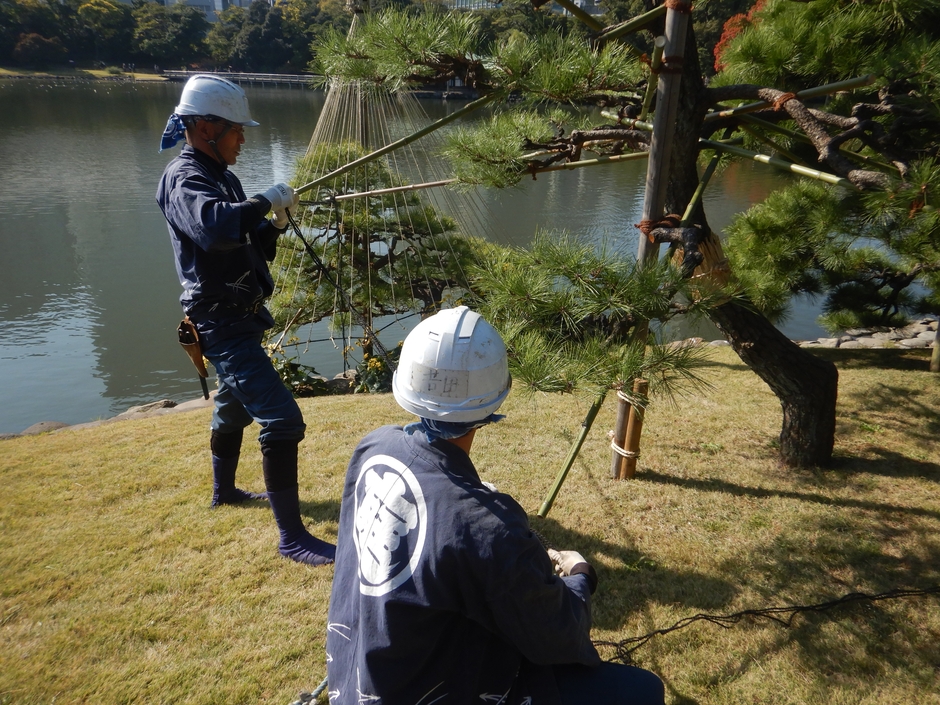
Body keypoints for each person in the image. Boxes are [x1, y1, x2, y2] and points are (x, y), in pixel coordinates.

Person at [325, 306, 664, 704]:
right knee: (642, 690)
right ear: (490, 405)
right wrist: (580, 577)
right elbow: (554, 635)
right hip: (433, 691)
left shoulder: (373, 447)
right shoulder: (488, 526)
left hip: (357, 681)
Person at [156, 74, 334, 567]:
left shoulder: (223, 176)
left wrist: (272, 223)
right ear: (205, 126)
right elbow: (215, 228)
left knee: (232, 408)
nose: (243, 137)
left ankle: (225, 492)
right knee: (282, 420)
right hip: (221, 325)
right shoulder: (184, 177)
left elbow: (247, 242)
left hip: (242, 317)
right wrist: (262, 201)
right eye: (236, 129)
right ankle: (293, 537)